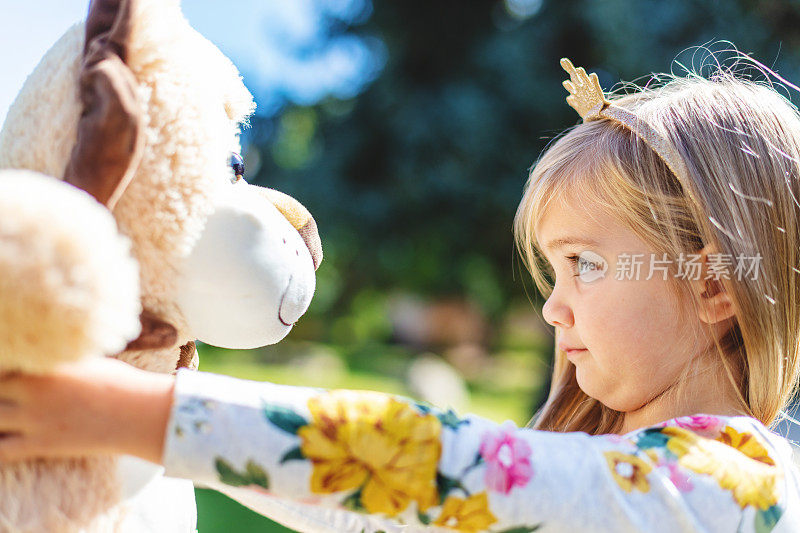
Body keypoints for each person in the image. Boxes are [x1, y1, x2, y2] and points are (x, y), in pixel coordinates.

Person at [2, 55, 800, 533]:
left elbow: (439, 466)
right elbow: (384, 507)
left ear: (714, 283)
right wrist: (165, 401)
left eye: (585, 265)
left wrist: (142, 414)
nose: (553, 308)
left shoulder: (737, 487)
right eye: (554, 272)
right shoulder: (601, 468)